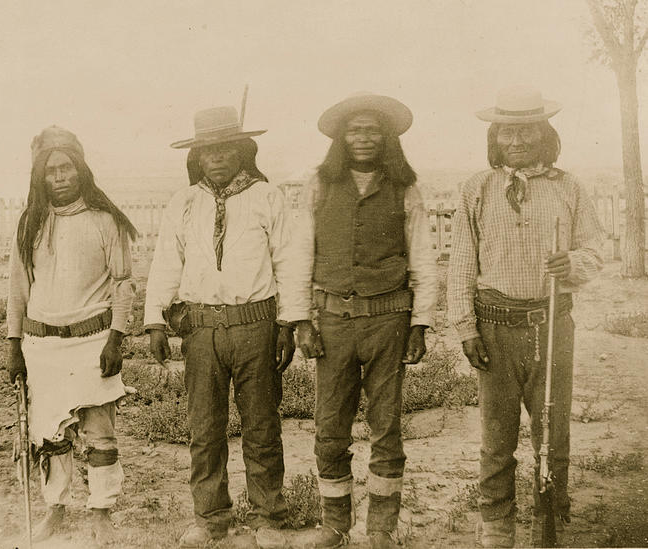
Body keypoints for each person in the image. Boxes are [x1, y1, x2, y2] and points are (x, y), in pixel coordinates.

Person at [143, 105, 312, 549]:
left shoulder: (267, 197)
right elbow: (166, 261)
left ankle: (268, 517)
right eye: (207, 151)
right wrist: (155, 320)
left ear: (242, 150)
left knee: (261, 425)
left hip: (256, 326)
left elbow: (289, 263)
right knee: (205, 428)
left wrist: (287, 324)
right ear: (196, 156)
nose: (215, 158)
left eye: (224, 149)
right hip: (201, 331)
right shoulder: (184, 202)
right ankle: (211, 518)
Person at [447, 86, 604, 548]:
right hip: (493, 327)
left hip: (551, 323)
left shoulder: (568, 186)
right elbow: (461, 263)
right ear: (495, 136)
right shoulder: (476, 188)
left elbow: (595, 249)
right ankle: (496, 521)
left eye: (526, 131)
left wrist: (571, 264)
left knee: (551, 428)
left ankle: (549, 512)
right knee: (496, 435)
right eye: (507, 131)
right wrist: (465, 327)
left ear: (544, 134)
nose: (516, 141)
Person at [292, 92, 437, 549]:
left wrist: (420, 324)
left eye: (372, 130)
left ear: (387, 138)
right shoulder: (317, 185)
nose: (363, 138)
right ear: (341, 138)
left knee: (386, 426)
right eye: (355, 130)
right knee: (330, 427)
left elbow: (423, 260)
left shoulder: (406, 188)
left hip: (389, 322)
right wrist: (300, 320)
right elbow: (299, 255)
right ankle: (335, 526)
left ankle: (381, 530)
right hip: (333, 323)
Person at [5, 126, 138, 546]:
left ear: (80, 169)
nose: (60, 177)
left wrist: (116, 337)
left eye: (67, 168)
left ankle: (101, 511)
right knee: (50, 435)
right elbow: (17, 288)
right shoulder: (30, 224)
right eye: (51, 170)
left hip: (92, 344)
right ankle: (56, 508)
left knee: (100, 434)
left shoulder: (106, 221)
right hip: (42, 346)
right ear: (40, 177)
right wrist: (14, 345)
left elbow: (122, 283)